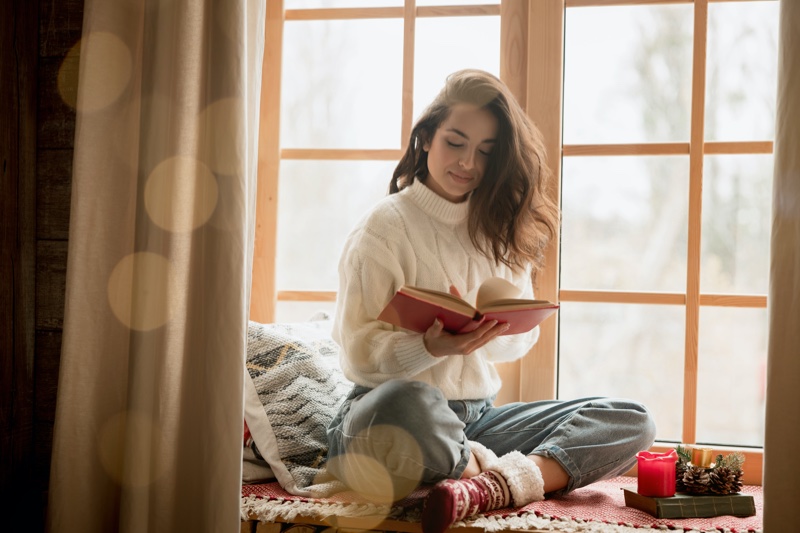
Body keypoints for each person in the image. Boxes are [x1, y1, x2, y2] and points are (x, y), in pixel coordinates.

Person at [326, 69, 656, 533]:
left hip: (475, 420)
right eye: (455, 143)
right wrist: (430, 347)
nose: (468, 163)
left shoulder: (497, 226)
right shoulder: (383, 229)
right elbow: (356, 352)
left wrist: (493, 332)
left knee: (631, 421)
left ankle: (486, 483)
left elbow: (516, 341)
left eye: (485, 151)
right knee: (409, 404)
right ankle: (489, 471)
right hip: (384, 416)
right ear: (425, 139)